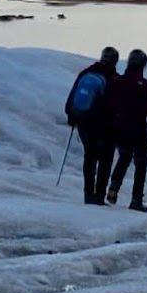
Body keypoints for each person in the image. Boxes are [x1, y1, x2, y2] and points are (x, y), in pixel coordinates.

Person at [104, 49, 147, 211]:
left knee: (124, 157)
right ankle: (136, 200)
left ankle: (113, 190)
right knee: (140, 163)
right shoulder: (145, 85)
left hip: (119, 128)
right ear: (143, 64)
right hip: (138, 129)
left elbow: (109, 104)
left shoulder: (117, 81)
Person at [64, 47, 120, 205]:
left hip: (84, 123)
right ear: (115, 61)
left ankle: (88, 195)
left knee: (89, 157)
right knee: (105, 160)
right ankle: (99, 196)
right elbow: (114, 105)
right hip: (105, 126)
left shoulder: (86, 73)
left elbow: (72, 97)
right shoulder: (113, 78)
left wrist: (72, 116)